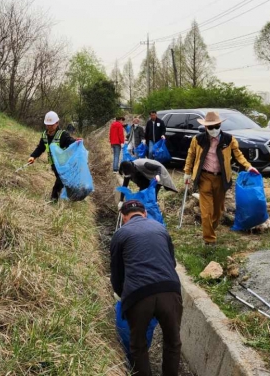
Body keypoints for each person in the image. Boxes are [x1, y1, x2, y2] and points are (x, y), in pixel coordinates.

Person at [110, 200, 182, 376]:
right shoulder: (160, 228)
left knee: (138, 345)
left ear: (124, 217)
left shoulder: (120, 234)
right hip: (170, 290)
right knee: (173, 342)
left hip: (138, 295)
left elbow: (117, 273)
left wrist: (123, 298)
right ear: (144, 214)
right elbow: (171, 263)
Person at [183, 111, 260, 245]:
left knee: (217, 212)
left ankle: (210, 229)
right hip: (204, 178)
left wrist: (248, 167)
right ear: (206, 127)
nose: (214, 130)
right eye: (210, 127)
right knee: (206, 213)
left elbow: (238, 155)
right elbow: (191, 156)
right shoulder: (198, 140)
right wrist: (187, 172)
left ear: (220, 125)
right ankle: (209, 240)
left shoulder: (229, 139)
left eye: (216, 126)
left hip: (221, 179)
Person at [28, 111, 76, 201]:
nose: (49, 127)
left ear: (57, 123)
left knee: (60, 181)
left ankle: (54, 199)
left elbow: (71, 143)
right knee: (62, 181)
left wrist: (76, 142)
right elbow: (40, 148)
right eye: (47, 125)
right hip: (54, 164)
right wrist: (33, 156)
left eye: (51, 125)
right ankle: (70, 193)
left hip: (64, 164)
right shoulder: (44, 135)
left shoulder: (63, 135)